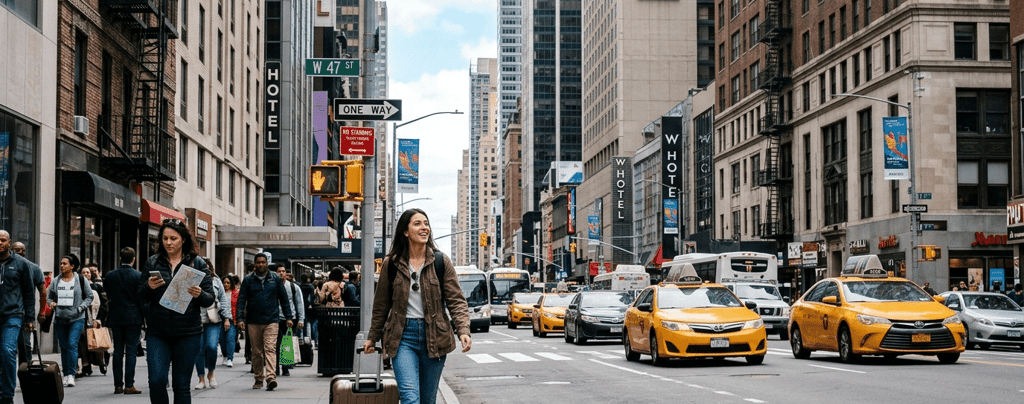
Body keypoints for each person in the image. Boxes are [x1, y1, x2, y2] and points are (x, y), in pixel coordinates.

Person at [363, 209, 472, 404]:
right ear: (405, 231)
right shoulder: (392, 264)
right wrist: (373, 337)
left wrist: (463, 330)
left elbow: (456, 300)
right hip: (402, 337)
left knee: (427, 400)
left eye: (426, 223)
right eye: (417, 224)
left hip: (436, 337)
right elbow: (381, 305)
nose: (424, 228)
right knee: (410, 398)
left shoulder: (440, 261)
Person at [140, 219, 216, 404]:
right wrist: (148, 287)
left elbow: (210, 299)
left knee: (181, 385)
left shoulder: (197, 263)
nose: (168, 242)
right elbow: (140, 296)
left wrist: (199, 294)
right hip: (158, 333)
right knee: (156, 381)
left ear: (183, 239)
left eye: (173, 238)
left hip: (188, 333)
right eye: (165, 238)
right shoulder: (153, 262)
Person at [236, 253, 294, 391]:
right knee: (256, 352)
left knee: (270, 349)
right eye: (258, 262)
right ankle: (258, 378)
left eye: (263, 262)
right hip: (253, 320)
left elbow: (284, 299)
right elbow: (241, 300)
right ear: (255, 264)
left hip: (272, 320)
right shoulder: (248, 280)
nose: (261, 264)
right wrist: (239, 318)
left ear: (267, 263)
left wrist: (289, 317)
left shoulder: (275, 278)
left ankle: (270, 377)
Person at [0, 231, 36, 404]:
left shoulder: (21, 264)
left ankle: (7, 395)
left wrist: (30, 318)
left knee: (7, 351)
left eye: (3, 240)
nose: (0, 243)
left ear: (9, 242)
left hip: (13, 315)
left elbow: (29, 292)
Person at [46, 253, 92, 388]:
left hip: (77, 318)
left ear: (72, 266)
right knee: (64, 347)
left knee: (72, 345)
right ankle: (65, 374)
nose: (62, 266)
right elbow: (49, 298)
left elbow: (89, 297)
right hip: (60, 318)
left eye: (65, 264)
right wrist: (52, 304)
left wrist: (80, 308)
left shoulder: (81, 280)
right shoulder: (56, 281)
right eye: (61, 263)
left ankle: (71, 374)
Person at [105, 247, 145, 395]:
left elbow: (108, 294)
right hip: (133, 317)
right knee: (131, 352)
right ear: (133, 259)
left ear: (120, 258)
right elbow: (141, 297)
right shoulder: (138, 276)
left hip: (116, 316)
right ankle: (129, 385)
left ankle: (117, 385)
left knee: (117, 351)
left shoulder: (110, 275)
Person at [194, 258, 232, 390]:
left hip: (213, 319)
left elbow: (223, 299)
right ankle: (201, 378)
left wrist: (227, 318)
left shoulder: (216, 282)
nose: (206, 269)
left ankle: (211, 373)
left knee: (211, 346)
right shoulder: (193, 280)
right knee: (198, 349)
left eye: (208, 266)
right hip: (197, 319)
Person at [11, 241, 43, 367]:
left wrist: (41, 312)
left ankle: (26, 373)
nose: (17, 252)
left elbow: (42, 291)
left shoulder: (33, 267)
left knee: (24, 345)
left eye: (19, 250)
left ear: (24, 251)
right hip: (9, 312)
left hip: (24, 313)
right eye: (14, 250)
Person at [274, 267, 304, 377]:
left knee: (287, 345)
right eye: (279, 271)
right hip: (275, 319)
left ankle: (285, 368)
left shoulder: (293, 287)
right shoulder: (273, 286)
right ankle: (275, 368)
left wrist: (301, 319)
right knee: (275, 345)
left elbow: (299, 303)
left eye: (283, 271)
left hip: (289, 320)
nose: (281, 273)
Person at [80, 265, 107, 377]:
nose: (86, 274)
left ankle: (101, 362)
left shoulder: (97, 287)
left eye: (88, 272)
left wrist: (100, 318)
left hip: (94, 318)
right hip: (82, 319)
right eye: (83, 272)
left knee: (96, 342)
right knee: (83, 343)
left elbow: (104, 304)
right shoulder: (78, 287)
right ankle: (86, 366)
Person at [220, 275, 239, 367]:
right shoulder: (220, 293)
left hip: (232, 319)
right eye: (224, 283)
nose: (226, 284)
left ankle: (229, 358)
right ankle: (225, 356)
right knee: (222, 339)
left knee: (230, 338)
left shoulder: (236, 293)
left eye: (228, 282)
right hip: (220, 319)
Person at [298, 273, 317, 347]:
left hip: (302, 306)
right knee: (309, 323)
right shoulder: (311, 286)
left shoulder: (300, 286)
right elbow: (311, 297)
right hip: (309, 307)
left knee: (302, 321)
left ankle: (301, 339)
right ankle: (308, 339)